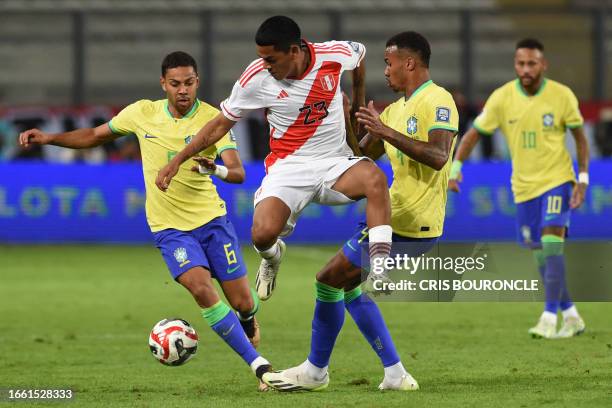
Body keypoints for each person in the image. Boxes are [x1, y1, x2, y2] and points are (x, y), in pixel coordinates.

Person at [18, 51, 272, 387]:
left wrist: (218, 168)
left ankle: (248, 317)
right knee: (200, 289)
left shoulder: (214, 119)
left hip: (212, 222)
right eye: (176, 83)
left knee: (242, 301)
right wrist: (50, 138)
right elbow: (95, 136)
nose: (183, 90)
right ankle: (259, 366)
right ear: (163, 84)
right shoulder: (142, 113)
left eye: (190, 83)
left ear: (198, 82)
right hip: (170, 229)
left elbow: (238, 172)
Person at [262, 31, 458, 392]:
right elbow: (358, 157)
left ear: (409, 63)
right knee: (346, 287)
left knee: (328, 280)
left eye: (389, 62)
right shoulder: (395, 110)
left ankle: (317, 372)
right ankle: (394, 373)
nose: (385, 71)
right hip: (393, 218)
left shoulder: (437, 99)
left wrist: (386, 130)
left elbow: (438, 156)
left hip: (414, 223)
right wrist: (350, 116)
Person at [155, 15, 393, 302]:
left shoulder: (333, 55)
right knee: (262, 234)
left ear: (293, 51)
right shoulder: (256, 78)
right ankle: (272, 257)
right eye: (262, 58)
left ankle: (380, 268)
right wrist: (177, 159)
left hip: (335, 162)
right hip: (288, 168)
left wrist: (357, 101)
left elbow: (361, 54)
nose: (265, 65)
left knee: (376, 179)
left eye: (271, 59)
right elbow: (219, 125)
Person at [449, 38, 589, 339]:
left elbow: (580, 138)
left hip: (557, 180)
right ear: (515, 65)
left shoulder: (561, 95)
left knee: (552, 244)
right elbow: (473, 134)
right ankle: (572, 314)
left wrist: (583, 178)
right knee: (540, 253)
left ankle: (549, 317)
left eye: (532, 63)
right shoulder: (502, 98)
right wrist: (456, 167)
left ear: (543, 65)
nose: (526, 69)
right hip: (524, 188)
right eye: (521, 63)